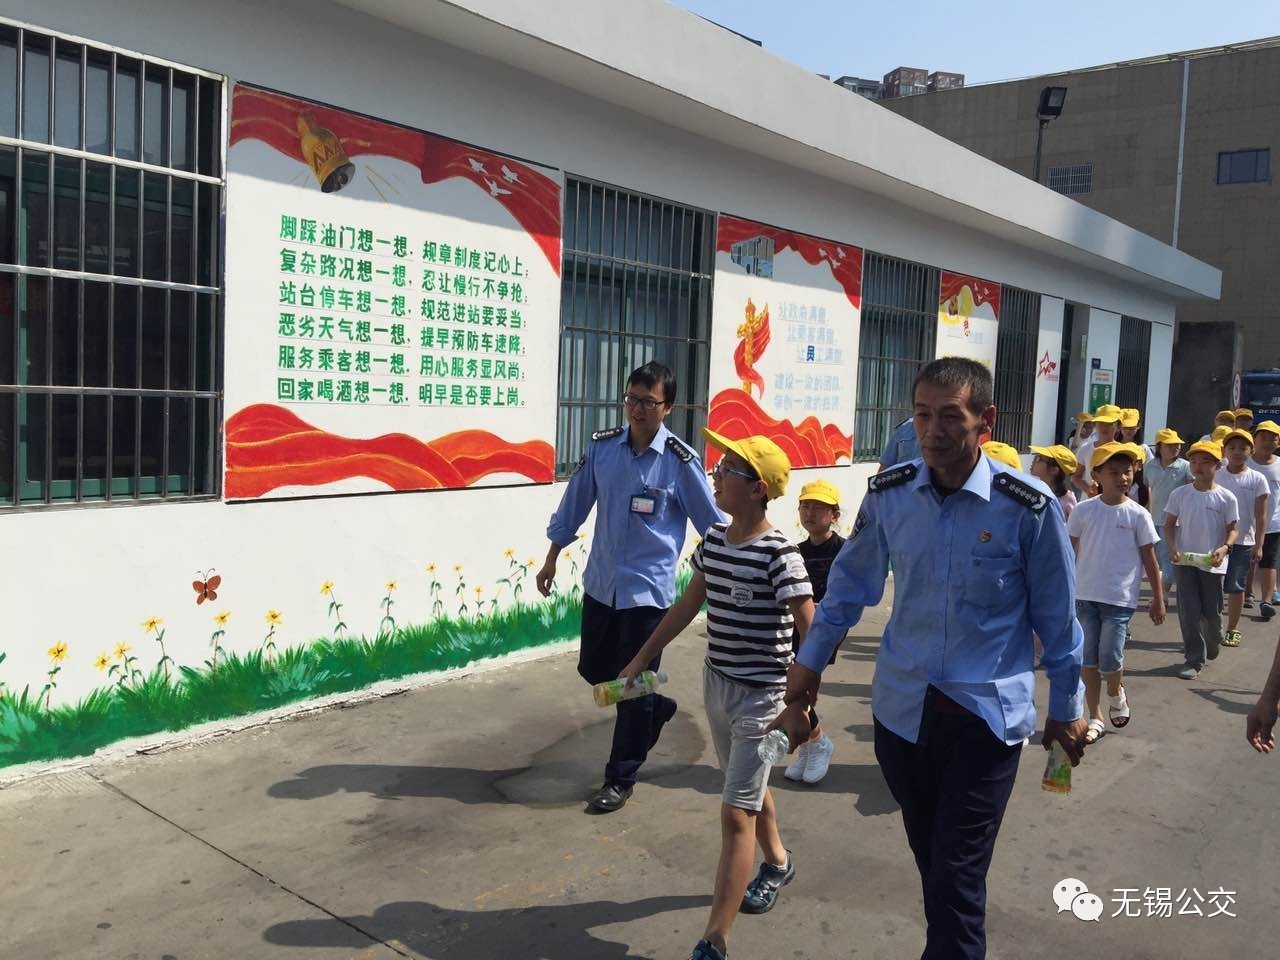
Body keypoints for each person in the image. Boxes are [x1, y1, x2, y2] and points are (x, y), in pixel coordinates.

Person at [772, 357, 1087, 960]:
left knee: (956, 876)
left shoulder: (1027, 507)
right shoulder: (891, 496)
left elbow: (1057, 618)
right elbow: (848, 590)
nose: (933, 431)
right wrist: (807, 666)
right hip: (902, 714)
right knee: (934, 864)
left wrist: (1067, 707)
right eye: (922, 416)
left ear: (985, 421)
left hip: (985, 718)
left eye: (950, 417)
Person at [618, 431, 813, 960]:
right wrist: (641, 658)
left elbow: (812, 631)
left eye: (728, 469)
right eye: (719, 465)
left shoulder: (780, 555)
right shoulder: (714, 542)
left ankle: (715, 939)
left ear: (757, 489)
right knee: (745, 788)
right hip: (717, 684)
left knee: (734, 814)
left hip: (763, 698)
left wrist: (800, 703)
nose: (716, 475)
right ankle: (778, 863)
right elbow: (687, 607)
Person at [538, 361, 723, 813]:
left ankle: (620, 777)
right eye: (631, 399)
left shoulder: (680, 462)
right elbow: (575, 502)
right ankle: (655, 709)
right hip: (602, 586)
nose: (637, 410)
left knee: (632, 685)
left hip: (647, 595)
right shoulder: (603, 449)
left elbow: (713, 524)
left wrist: (730, 575)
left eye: (648, 402)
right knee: (596, 671)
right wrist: (551, 556)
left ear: (668, 407)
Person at [1068, 442, 1165, 745]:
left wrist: (1158, 598)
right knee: (1088, 658)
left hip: (1119, 599)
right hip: (1085, 596)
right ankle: (1095, 716)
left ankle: (1115, 690)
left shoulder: (1138, 515)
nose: (1123, 478)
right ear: (1096, 475)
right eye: (1114, 472)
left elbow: (1150, 558)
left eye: (1127, 471)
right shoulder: (1084, 510)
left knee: (1109, 657)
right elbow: (1068, 553)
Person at [1163, 440, 1238, 680]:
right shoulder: (1180, 494)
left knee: (1212, 614)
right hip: (1184, 562)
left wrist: (1224, 548)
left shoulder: (1226, 497)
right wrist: (1172, 548)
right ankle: (1194, 659)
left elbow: (1233, 529)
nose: (1198, 466)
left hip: (1212, 564)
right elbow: (1168, 525)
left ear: (1218, 465)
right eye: (1194, 461)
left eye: (1205, 462)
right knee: (1189, 612)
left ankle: (1214, 638)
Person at [786, 479, 845, 784]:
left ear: (834, 514)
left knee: (802, 685)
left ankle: (817, 742)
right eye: (805, 506)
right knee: (794, 687)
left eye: (819, 508)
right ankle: (812, 744)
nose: (809, 513)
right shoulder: (796, 551)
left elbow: (849, 595)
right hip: (795, 626)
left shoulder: (845, 551)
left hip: (826, 629)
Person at [1216, 429, 1269, 647]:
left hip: (1243, 543)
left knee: (1235, 586)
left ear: (1251, 451)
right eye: (1232, 448)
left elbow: (1261, 515)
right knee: (1213, 587)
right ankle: (1212, 627)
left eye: (1243, 448)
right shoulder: (1216, 474)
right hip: (1216, 542)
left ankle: (1232, 628)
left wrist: (1259, 544)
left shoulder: (1258, 479)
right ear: (1224, 451)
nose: (1237, 452)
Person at [1144, 429, 1191, 591]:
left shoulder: (1185, 466)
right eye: (1170, 444)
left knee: (1168, 556)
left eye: (1177, 444)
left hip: (1174, 522)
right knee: (1156, 557)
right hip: (1153, 519)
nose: (1175, 447)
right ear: (1159, 447)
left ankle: (1163, 594)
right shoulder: (1149, 466)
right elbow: (1147, 488)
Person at [1249, 421, 1280, 621]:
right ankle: (1245, 594)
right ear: (1255, 440)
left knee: (1269, 563)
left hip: (1273, 524)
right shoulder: (1244, 462)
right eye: (1263, 437)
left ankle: (1266, 601)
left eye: (1273, 438)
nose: (1268, 442)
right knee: (1245, 563)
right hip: (1246, 524)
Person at [1072, 404, 1122, 497]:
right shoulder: (1085, 449)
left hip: (1115, 501)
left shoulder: (1123, 451)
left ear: (1118, 426)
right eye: (1100, 423)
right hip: (1089, 501)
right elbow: (1076, 476)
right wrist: (1088, 489)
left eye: (1109, 424)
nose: (1104, 427)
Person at [1030, 444, 1079, 519]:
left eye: (1038, 458)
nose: (1033, 461)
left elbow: (1073, 524)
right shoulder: (1033, 489)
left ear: (1054, 470)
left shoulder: (1067, 499)